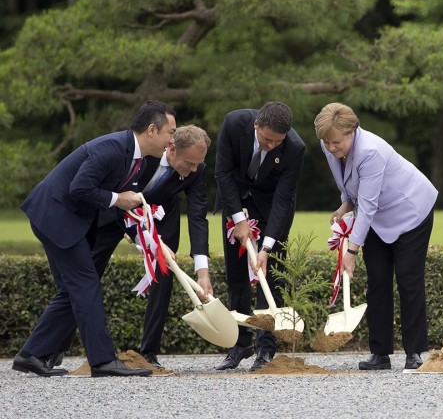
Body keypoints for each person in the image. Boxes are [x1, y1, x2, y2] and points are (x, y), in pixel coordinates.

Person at [12, 100, 177, 377]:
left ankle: (31, 354)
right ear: (152, 129)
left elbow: (129, 208)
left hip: (62, 218)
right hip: (55, 217)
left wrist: (152, 245)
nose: (172, 139)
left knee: (72, 289)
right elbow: (80, 187)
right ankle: (102, 361)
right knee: (85, 284)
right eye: (170, 132)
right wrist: (116, 198)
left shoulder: (136, 159)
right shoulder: (111, 148)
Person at [47, 125, 214, 371]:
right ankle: (55, 347)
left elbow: (198, 216)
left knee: (164, 276)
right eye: (189, 163)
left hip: (160, 215)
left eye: (198, 165)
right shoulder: (144, 154)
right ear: (172, 148)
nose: (192, 170)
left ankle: (149, 352)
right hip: (113, 213)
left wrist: (203, 271)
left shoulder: (196, 169)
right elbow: (115, 191)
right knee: (85, 278)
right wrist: (135, 234)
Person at [313, 103, 438, 371]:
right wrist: (345, 203)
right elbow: (346, 182)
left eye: (336, 142)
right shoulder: (329, 145)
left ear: (352, 131)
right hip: (376, 218)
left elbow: (367, 206)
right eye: (326, 142)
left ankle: (415, 352)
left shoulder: (371, 151)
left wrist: (352, 250)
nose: (331, 148)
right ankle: (379, 353)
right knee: (377, 282)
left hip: (410, 211)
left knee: (408, 279)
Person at [214, 101, 305, 371]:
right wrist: (238, 220)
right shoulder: (232, 124)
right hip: (235, 201)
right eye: (267, 139)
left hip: (272, 209)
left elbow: (283, 199)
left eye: (278, 141)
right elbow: (223, 173)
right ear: (256, 125)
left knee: (271, 276)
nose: (272, 146)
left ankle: (266, 348)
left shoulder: (295, 148)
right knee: (236, 276)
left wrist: (266, 248)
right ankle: (239, 343)